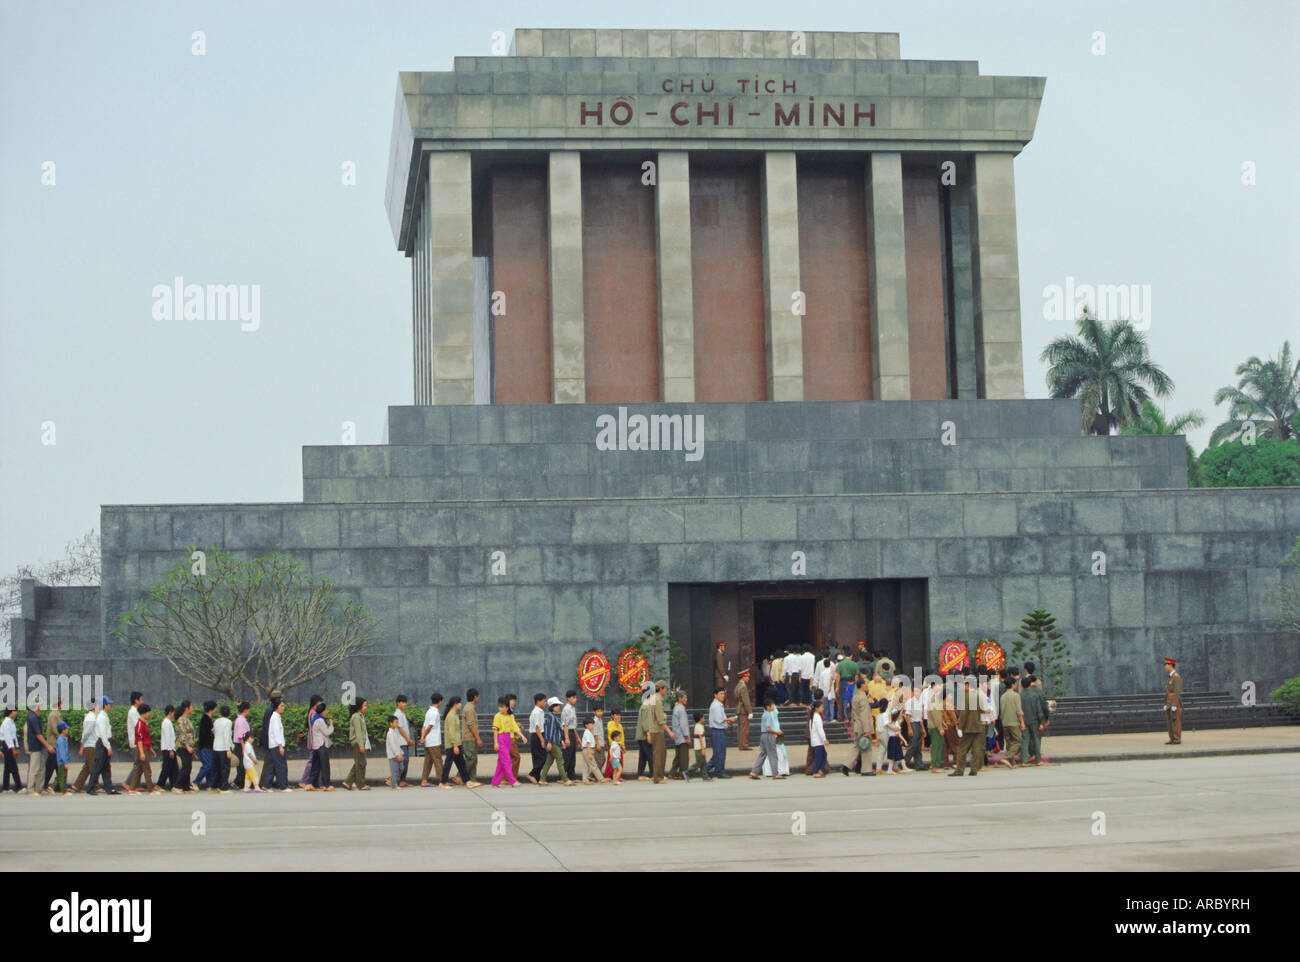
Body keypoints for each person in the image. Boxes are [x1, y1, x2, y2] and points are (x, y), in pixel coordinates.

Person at [440, 696, 481, 788]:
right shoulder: (451, 716)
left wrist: (457, 745)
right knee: (448, 764)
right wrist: (454, 745)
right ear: (455, 704)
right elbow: (451, 732)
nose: (461, 705)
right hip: (452, 745)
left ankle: (468, 781)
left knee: (461, 764)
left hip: (457, 744)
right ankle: (442, 782)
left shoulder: (454, 714)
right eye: (459, 703)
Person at [949, 678, 987, 777]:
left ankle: (960, 769)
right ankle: (974, 769)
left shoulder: (965, 696)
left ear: (967, 685)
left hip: (968, 727)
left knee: (962, 749)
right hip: (979, 726)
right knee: (976, 749)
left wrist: (960, 727)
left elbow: (963, 714)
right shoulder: (978, 695)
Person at [839, 675, 874, 776]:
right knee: (866, 748)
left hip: (857, 725)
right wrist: (867, 729)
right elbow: (864, 714)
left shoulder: (855, 696)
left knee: (857, 747)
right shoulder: (862, 697)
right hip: (863, 726)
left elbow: (854, 713)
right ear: (862, 685)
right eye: (866, 684)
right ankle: (866, 770)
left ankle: (846, 765)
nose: (867, 685)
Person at [87, 696, 119, 795]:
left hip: (104, 743)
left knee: (106, 768)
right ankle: (90, 788)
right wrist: (108, 747)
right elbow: (103, 734)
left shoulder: (104, 716)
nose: (110, 706)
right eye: (109, 704)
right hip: (102, 744)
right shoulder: (101, 717)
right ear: (105, 705)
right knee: (97, 767)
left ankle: (108, 788)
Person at [491, 696, 525, 787]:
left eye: (502, 706)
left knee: (501, 762)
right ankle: (512, 781)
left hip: (508, 739)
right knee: (507, 761)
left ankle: (495, 781)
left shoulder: (510, 716)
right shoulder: (497, 716)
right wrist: (495, 742)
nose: (500, 708)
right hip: (500, 738)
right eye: (499, 706)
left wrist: (522, 736)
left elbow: (515, 728)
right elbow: (495, 730)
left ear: (507, 707)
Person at [538, 696, 572, 785]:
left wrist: (561, 741)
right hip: (553, 742)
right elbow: (551, 731)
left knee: (548, 761)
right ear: (552, 706)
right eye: (557, 705)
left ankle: (542, 779)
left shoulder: (552, 717)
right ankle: (565, 779)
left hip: (555, 742)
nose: (558, 707)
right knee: (560, 760)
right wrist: (549, 742)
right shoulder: (552, 717)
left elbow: (557, 731)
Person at [261, 697, 292, 792]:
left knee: (272, 766)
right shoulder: (275, 718)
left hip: (274, 745)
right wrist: (280, 746)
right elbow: (276, 733)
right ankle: (283, 786)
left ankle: (266, 785)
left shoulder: (276, 717)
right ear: (276, 707)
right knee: (281, 766)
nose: (283, 708)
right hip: (276, 745)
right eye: (281, 706)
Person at [127, 703, 158, 794]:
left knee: (138, 770)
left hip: (145, 748)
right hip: (142, 749)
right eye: (148, 712)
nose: (149, 714)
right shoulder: (139, 724)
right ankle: (150, 789)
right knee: (147, 770)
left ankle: (131, 788)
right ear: (143, 713)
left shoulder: (144, 723)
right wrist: (142, 753)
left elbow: (146, 738)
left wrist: (151, 750)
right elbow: (139, 740)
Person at [707, 686, 736, 778]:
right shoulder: (715, 706)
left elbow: (722, 720)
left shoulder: (719, 705)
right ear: (715, 695)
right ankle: (708, 770)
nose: (723, 696)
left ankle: (719, 771)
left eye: (724, 693)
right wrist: (729, 719)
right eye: (721, 694)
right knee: (718, 753)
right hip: (717, 731)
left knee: (720, 753)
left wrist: (729, 721)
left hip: (720, 731)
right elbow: (719, 719)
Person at [70, 699, 97, 793]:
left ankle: (76, 785)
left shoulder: (91, 717)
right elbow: (86, 733)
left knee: (87, 767)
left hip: (90, 744)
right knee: (93, 766)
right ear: (94, 707)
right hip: (91, 745)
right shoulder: (91, 718)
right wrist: (82, 744)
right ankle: (95, 786)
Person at [343, 698, 371, 790]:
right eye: (364, 705)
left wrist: (367, 745)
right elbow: (358, 732)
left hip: (361, 742)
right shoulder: (356, 716)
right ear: (359, 707)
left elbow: (364, 732)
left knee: (360, 763)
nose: (366, 707)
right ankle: (360, 784)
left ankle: (348, 782)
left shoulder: (361, 716)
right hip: (357, 743)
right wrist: (361, 745)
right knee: (360, 764)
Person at [25, 700, 52, 796]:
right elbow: (38, 734)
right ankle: (31, 789)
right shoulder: (33, 718)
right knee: (34, 768)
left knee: (41, 768)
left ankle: (39, 788)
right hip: (34, 746)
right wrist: (47, 745)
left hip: (38, 746)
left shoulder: (36, 717)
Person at [1020, 677, 1049, 765]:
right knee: (1036, 739)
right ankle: (1038, 760)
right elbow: (1039, 710)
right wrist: (1041, 722)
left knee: (1025, 740)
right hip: (1034, 720)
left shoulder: (1020, 695)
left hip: (1024, 720)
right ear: (1030, 685)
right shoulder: (1035, 695)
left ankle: (1024, 760)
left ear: (1021, 685)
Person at [648, 681, 672, 784]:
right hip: (657, 730)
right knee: (659, 754)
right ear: (661, 689)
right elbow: (660, 719)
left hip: (653, 729)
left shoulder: (653, 698)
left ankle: (658, 775)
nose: (666, 691)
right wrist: (669, 731)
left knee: (660, 753)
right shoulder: (657, 700)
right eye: (665, 689)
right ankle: (658, 777)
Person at [306, 703, 334, 791]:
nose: (326, 712)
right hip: (321, 745)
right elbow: (327, 732)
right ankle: (326, 785)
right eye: (325, 710)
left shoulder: (315, 718)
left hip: (316, 746)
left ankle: (310, 784)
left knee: (315, 766)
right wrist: (331, 725)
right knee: (325, 766)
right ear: (322, 711)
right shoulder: (320, 720)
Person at [420, 692, 445, 787]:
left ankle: (424, 780)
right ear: (439, 701)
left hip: (428, 741)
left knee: (428, 762)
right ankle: (442, 781)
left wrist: (423, 736)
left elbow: (424, 726)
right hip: (434, 741)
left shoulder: (428, 711)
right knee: (438, 761)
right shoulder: (435, 712)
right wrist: (423, 736)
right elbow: (430, 726)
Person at [298, 695, 323, 788]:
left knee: (318, 760)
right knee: (312, 760)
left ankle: (320, 782)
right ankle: (304, 780)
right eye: (320, 702)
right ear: (316, 703)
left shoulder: (314, 712)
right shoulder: (313, 713)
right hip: (314, 740)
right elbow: (313, 729)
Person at [667, 689, 692, 781]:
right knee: (684, 756)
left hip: (677, 736)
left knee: (678, 756)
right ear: (680, 699)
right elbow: (683, 725)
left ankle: (672, 773)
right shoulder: (681, 709)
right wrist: (687, 737)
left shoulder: (676, 708)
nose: (686, 699)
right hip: (682, 737)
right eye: (685, 698)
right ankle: (684, 773)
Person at [1000, 678, 1025, 767]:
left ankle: (1012, 762)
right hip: (1013, 722)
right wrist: (1022, 722)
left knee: (1009, 742)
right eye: (1015, 684)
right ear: (1013, 685)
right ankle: (1007, 757)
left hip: (1005, 722)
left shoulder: (1003, 696)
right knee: (1018, 740)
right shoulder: (1016, 695)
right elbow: (1019, 711)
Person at [121, 691, 142, 792]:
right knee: (137, 764)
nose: (142, 701)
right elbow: (137, 726)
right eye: (141, 699)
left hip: (137, 740)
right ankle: (127, 783)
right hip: (136, 741)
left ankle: (135, 784)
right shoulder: (133, 712)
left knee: (139, 763)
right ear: (136, 700)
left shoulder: (135, 711)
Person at [193, 700, 217, 791]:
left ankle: (209, 785)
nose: (215, 711)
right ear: (211, 710)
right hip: (205, 746)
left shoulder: (207, 719)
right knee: (208, 765)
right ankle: (195, 782)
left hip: (208, 747)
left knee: (210, 766)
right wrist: (213, 731)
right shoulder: (205, 719)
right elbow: (205, 734)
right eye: (214, 709)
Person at [634, 682, 655, 781]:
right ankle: (653, 774)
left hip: (641, 735)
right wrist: (648, 734)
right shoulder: (646, 706)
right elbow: (646, 723)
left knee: (643, 756)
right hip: (645, 735)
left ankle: (640, 774)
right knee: (650, 755)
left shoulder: (644, 705)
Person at [903, 685, 927, 771]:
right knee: (913, 745)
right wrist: (909, 728)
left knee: (918, 746)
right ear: (913, 692)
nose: (917, 693)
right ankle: (904, 762)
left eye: (919, 691)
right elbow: (907, 716)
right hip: (912, 724)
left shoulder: (920, 702)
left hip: (919, 724)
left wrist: (923, 728)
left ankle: (919, 764)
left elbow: (920, 717)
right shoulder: (910, 702)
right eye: (915, 691)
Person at [42, 697, 64, 791]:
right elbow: (56, 730)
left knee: (57, 766)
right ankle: (44, 784)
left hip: (56, 744)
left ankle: (59, 785)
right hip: (54, 744)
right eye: (61, 704)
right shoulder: (53, 715)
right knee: (50, 767)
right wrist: (63, 738)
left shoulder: (55, 714)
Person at [462, 688, 483, 783]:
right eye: (477, 696)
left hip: (471, 737)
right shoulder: (469, 708)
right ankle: (460, 775)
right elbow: (471, 725)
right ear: (475, 697)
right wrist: (478, 738)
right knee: (471, 758)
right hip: (469, 737)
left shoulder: (470, 707)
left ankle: (472, 779)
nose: (478, 698)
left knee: (474, 759)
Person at [229, 702, 251, 790]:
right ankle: (239, 782)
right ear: (245, 710)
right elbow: (240, 736)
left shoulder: (240, 719)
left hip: (240, 744)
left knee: (241, 764)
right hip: (240, 744)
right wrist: (243, 747)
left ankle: (237, 781)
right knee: (242, 765)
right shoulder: (241, 720)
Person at [211, 704, 233, 794]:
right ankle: (223, 787)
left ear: (220, 713)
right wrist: (228, 749)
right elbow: (226, 735)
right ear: (229, 714)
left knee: (217, 768)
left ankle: (215, 786)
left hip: (216, 747)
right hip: (224, 748)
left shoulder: (216, 721)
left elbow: (214, 732)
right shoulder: (228, 722)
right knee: (225, 768)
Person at [526, 692, 547, 785]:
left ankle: (536, 777)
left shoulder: (540, 711)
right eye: (544, 701)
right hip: (537, 736)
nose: (545, 703)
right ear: (538, 701)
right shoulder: (536, 712)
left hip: (539, 735)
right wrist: (542, 740)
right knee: (542, 757)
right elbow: (537, 727)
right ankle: (532, 774)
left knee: (539, 757)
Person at [175, 701, 197, 792]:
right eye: (191, 707)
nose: (192, 708)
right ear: (187, 709)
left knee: (188, 766)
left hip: (188, 746)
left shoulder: (186, 719)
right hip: (183, 747)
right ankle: (177, 785)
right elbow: (182, 735)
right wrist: (188, 746)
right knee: (186, 766)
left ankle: (186, 787)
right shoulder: (181, 720)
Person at [393, 695, 414, 786]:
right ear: (398, 703)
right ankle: (393, 778)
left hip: (404, 741)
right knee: (403, 761)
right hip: (401, 741)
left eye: (405, 702)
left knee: (404, 761)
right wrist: (408, 739)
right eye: (403, 702)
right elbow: (400, 728)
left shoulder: (402, 714)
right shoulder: (397, 714)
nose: (405, 704)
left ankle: (402, 781)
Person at [156, 705, 177, 793]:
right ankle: (159, 784)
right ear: (170, 712)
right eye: (173, 712)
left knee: (173, 768)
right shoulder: (166, 722)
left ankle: (173, 785)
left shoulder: (167, 722)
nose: (174, 714)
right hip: (168, 748)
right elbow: (168, 737)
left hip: (169, 748)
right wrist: (170, 749)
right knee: (167, 768)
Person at [579, 717, 606, 784]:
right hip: (588, 750)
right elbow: (588, 743)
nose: (593, 726)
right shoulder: (587, 733)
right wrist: (590, 753)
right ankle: (601, 778)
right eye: (591, 724)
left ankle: (585, 779)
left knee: (586, 766)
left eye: (593, 724)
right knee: (593, 765)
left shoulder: (587, 732)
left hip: (585, 750)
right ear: (586, 725)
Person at [560, 689, 579, 782]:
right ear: (568, 698)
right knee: (567, 756)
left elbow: (573, 725)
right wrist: (567, 738)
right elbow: (565, 725)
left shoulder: (573, 709)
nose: (575, 699)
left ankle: (572, 776)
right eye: (573, 697)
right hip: (567, 733)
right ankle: (563, 777)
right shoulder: (566, 709)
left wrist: (578, 738)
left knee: (572, 756)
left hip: (572, 732)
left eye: (575, 697)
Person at [1, 708, 20, 792]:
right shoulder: (6, 723)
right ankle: (18, 786)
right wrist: (13, 749)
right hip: (7, 745)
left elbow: (14, 736)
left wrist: (17, 747)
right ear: (10, 712)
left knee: (8, 767)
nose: (16, 713)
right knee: (13, 767)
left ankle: (5, 787)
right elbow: (8, 737)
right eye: (14, 711)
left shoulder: (11, 722)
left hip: (10, 745)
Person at [385, 715, 406, 790]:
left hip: (398, 754)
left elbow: (397, 745)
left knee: (401, 768)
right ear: (391, 723)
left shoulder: (395, 732)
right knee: (394, 770)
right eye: (396, 722)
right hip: (393, 756)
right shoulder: (390, 733)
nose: (397, 724)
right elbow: (393, 745)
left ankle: (391, 779)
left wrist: (401, 753)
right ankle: (394, 785)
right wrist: (397, 755)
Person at [883, 706, 907, 773]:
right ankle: (890, 769)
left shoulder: (892, 723)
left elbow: (898, 732)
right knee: (893, 755)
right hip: (894, 739)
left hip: (893, 739)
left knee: (896, 754)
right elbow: (898, 732)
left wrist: (904, 740)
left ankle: (892, 769)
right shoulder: (894, 723)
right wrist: (904, 740)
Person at [1164, 658, 1182, 744]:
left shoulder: (1176, 677)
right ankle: (1172, 738)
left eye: (1166, 665)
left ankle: (1177, 739)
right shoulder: (1170, 677)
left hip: (1174, 702)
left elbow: (1177, 691)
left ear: (1171, 665)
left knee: (1175, 721)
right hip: (1169, 702)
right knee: (1170, 721)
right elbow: (1167, 691)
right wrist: (1165, 703)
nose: (1165, 667)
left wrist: (1174, 704)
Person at [809, 700, 829, 777]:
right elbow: (820, 730)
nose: (822, 708)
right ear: (817, 708)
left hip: (816, 740)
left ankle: (819, 769)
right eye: (821, 707)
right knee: (819, 756)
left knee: (823, 755)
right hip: (818, 741)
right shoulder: (817, 717)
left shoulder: (814, 716)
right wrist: (824, 739)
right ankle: (815, 771)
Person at [734, 669, 753, 750]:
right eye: (747, 677)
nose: (748, 678)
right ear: (743, 677)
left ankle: (741, 744)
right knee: (744, 729)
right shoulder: (743, 687)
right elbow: (746, 701)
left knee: (740, 728)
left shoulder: (738, 686)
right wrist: (750, 711)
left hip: (739, 709)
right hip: (743, 710)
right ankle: (744, 745)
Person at [603, 708, 624, 780]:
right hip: (613, 745)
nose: (618, 717)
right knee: (611, 761)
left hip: (619, 746)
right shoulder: (610, 723)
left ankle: (618, 776)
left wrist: (623, 746)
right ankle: (608, 776)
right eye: (616, 715)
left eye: (619, 715)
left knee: (619, 761)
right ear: (612, 716)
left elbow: (622, 736)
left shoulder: (620, 725)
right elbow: (611, 731)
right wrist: (616, 723)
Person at [690, 712, 711, 781]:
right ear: (700, 718)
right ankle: (688, 771)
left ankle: (705, 776)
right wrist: (703, 749)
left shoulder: (697, 726)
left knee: (703, 762)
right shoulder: (699, 727)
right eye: (703, 717)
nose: (704, 718)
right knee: (699, 762)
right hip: (699, 747)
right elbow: (700, 738)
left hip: (699, 747)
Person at [506, 694, 522, 780]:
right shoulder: (508, 712)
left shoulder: (510, 711)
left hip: (509, 737)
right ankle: (510, 778)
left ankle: (506, 778)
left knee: (509, 758)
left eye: (514, 701)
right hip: (509, 738)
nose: (514, 703)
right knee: (516, 757)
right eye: (512, 700)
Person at [53, 721, 70, 794]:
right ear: (63, 730)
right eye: (66, 729)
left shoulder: (63, 739)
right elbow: (62, 752)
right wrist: (65, 762)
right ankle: (63, 790)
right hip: (62, 761)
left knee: (60, 775)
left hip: (62, 760)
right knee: (62, 776)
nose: (67, 730)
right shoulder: (61, 740)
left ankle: (52, 787)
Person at [591, 705, 606, 775]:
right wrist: (597, 744)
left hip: (601, 742)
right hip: (597, 743)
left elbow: (601, 732)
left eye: (601, 711)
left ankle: (594, 774)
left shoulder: (600, 720)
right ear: (594, 712)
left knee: (602, 759)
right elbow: (595, 733)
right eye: (598, 711)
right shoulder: (595, 721)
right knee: (599, 760)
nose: (600, 713)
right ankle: (595, 775)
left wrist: (604, 741)